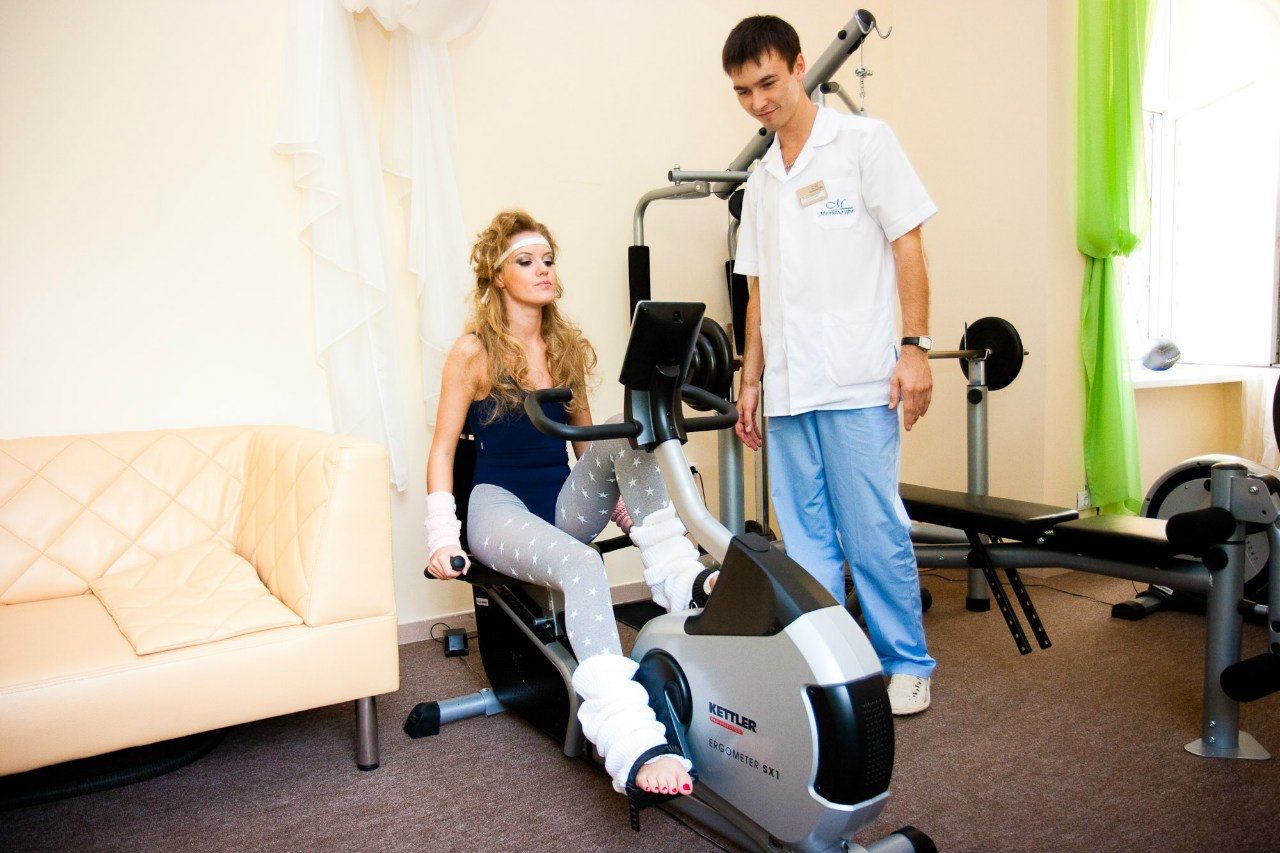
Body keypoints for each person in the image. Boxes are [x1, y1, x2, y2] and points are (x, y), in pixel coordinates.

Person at [423, 209, 717, 796]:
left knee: (625, 429)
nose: (543, 270)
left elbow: (589, 446)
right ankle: (628, 734)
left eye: (548, 260)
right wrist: (441, 535)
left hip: (557, 504)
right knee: (584, 565)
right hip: (497, 507)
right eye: (525, 261)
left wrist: (624, 509)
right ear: (498, 276)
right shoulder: (473, 352)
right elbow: (441, 449)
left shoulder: (566, 348)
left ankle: (678, 575)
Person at [723, 15, 937, 715]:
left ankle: (906, 661)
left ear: (798, 66)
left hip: (857, 375)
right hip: (789, 385)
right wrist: (750, 378)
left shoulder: (864, 143)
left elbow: (907, 243)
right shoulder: (761, 179)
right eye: (743, 91)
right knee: (805, 537)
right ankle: (834, 661)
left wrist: (915, 347)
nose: (758, 101)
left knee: (872, 528)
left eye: (768, 82)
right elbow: (757, 291)